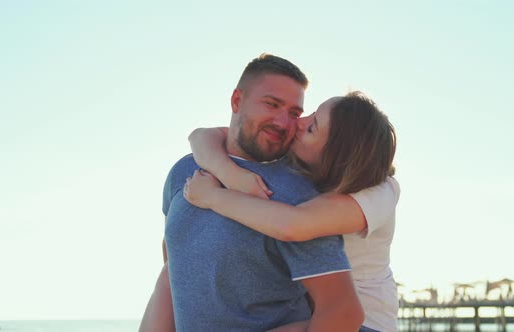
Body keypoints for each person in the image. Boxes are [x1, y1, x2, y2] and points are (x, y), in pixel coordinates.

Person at [139, 53, 364, 332]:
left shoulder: (298, 197)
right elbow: (175, 264)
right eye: (272, 104)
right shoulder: (184, 170)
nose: (283, 123)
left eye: (294, 113)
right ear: (236, 101)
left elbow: (342, 312)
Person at [183, 91, 400, 332]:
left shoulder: (379, 193)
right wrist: (227, 172)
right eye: (311, 115)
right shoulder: (301, 162)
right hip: (305, 309)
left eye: (311, 128)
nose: (299, 122)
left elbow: (294, 225)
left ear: (336, 157)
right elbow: (202, 136)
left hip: (362, 323)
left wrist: (214, 196)